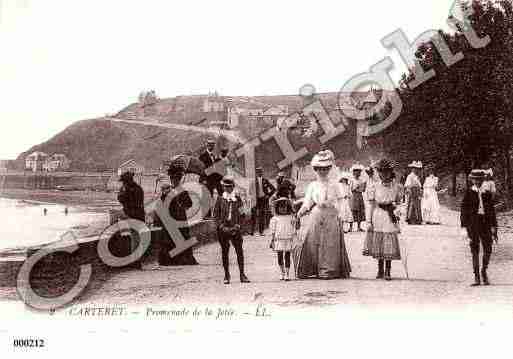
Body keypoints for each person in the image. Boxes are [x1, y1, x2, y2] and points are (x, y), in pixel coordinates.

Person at [294, 150, 351, 279]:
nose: (322, 171)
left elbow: (341, 200)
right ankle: (314, 268)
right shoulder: (313, 185)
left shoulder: (336, 184)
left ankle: (328, 270)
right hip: (317, 214)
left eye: (325, 168)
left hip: (331, 214)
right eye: (319, 169)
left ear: (329, 169)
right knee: (314, 242)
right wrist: (300, 213)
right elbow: (308, 202)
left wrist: (343, 214)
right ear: (315, 169)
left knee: (330, 243)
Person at [364, 159, 402, 281]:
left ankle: (388, 270)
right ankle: (380, 269)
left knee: (389, 241)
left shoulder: (396, 187)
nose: (384, 174)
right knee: (379, 241)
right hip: (378, 214)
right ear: (378, 173)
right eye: (381, 172)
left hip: (389, 215)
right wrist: (369, 221)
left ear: (391, 172)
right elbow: (371, 205)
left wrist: (397, 212)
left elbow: (398, 202)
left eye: (387, 172)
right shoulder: (374, 186)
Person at [153, 163, 198, 266]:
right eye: (173, 180)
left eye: (176, 180)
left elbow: (189, 204)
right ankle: (171, 260)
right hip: (170, 219)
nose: (174, 181)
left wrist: (182, 205)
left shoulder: (182, 191)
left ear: (179, 180)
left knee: (182, 236)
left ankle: (182, 259)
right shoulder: (168, 190)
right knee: (170, 239)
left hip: (180, 218)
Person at [461, 169, 498, 286]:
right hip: (473, 224)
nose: (477, 182)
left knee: (488, 248)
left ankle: (484, 271)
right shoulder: (468, 193)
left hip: (485, 223)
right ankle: (476, 276)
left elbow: (492, 211)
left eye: (480, 180)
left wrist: (494, 226)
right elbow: (463, 211)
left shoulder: (487, 193)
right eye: (475, 180)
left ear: (483, 180)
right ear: (472, 180)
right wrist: (463, 227)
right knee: (475, 250)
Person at [213, 175, 250, 284]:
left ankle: (242, 274)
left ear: (233, 187)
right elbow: (215, 215)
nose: (228, 189)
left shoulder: (237, 199)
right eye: (226, 187)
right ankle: (226, 275)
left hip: (235, 228)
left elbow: (243, 214)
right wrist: (221, 226)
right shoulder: (220, 199)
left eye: (230, 187)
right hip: (223, 229)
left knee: (239, 252)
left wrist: (239, 225)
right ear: (223, 187)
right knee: (225, 252)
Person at [117, 171, 146, 268]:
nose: (122, 183)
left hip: (131, 215)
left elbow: (121, 199)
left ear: (126, 181)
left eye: (123, 182)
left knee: (134, 238)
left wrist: (122, 190)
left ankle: (135, 261)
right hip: (140, 216)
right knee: (137, 238)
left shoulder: (127, 189)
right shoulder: (138, 188)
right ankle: (137, 260)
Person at [269, 197, 296, 281]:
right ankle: (282, 272)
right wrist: (272, 240)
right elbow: (273, 230)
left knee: (287, 256)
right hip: (279, 239)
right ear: (277, 208)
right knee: (280, 256)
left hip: (288, 238)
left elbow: (295, 227)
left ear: (287, 207)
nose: (283, 209)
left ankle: (287, 273)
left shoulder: (291, 217)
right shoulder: (275, 218)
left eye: (284, 207)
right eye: (281, 207)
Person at [248, 167, 276, 236]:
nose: (259, 173)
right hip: (255, 199)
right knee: (253, 215)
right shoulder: (253, 181)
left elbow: (273, 189)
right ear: (256, 173)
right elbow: (250, 192)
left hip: (263, 199)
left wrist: (268, 195)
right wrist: (252, 198)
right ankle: (252, 231)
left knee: (262, 215)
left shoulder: (265, 180)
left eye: (260, 172)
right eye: (258, 172)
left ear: (262, 172)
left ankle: (261, 231)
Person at [350, 164, 366, 232]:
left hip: (359, 196)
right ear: (354, 172)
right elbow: (351, 189)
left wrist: (363, 186)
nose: (358, 173)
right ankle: (351, 227)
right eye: (356, 171)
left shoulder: (361, 180)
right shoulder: (352, 180)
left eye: (359, 172)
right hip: (354, 196)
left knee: (359, 211)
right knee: (353, 211)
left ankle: (359, 227)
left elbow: (363, 190)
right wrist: (357, 188)